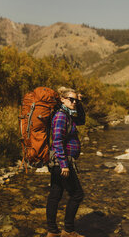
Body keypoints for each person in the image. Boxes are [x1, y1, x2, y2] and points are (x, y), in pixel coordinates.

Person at [46, 87, 85, 237]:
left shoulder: (69, 114)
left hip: (59, 162)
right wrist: (64, 164)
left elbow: (82, 120)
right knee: (77, 194)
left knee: (55, 194)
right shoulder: (62, 116)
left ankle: (52, 231)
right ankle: (68, 230)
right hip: (62, 162)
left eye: (75, 99)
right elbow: (57, 141)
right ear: (62, 99)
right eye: (71, 99)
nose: (74, 102)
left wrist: (79, 103)